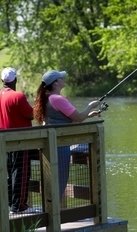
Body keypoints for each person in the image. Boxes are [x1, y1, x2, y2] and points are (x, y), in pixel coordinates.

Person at [33, 70, 100, 200]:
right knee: (60, 182)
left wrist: (88, 115)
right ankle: (55, 216)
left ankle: (52, 212)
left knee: (53, 181)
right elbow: (79, 118)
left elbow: (66, 119)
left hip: (52, 144)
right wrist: (90, 106)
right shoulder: (58, 99)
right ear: (56, 83)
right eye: (61, 78)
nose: (63, 79)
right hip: (61, 146)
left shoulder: (47, 98)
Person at [0, 67, 37, 214]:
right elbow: (31, 115)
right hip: (21, 141)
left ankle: (11, 203)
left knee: (9, 172)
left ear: (2, 80)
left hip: (5, 141)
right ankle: (19, 206)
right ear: (15, 80)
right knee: (21, 172)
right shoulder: (18, 96)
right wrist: (37, 104)